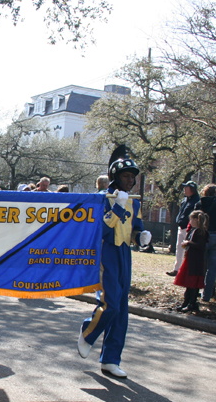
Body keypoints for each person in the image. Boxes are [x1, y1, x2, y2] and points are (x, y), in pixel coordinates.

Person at [78, 145, 151, 378]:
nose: (131, 181)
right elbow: (101, 229)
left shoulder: (134, 202)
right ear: (115, 176)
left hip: (124, 254)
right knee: (111, 304)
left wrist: (142, 237)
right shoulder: (102, 198)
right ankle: (88, 331)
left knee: (122, 310)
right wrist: (117, 207)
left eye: (133, 177)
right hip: (105, 252)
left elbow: (135, 229)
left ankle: (111, 359)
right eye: (127, 176)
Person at [174, 210, 209, 312]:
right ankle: (186, 302)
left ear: (196, 220)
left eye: (191, 219)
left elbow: (201, 246)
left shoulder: (201, 232)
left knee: (193, 283)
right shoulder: (194, 231)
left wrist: (188, 243)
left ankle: (192, 303)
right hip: (191, 259)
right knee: (189, 284)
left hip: (196, 262)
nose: (190, 221)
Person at [167, 181, 199, 277]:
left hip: (190, 229)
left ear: (192, 189)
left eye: (187, 187)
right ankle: (177, 269)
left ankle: (186, 271)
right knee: (179, 248)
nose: (184, 189)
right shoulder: (185, 200)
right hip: (181, 227)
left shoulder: (196, 200)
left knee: (188, 250)